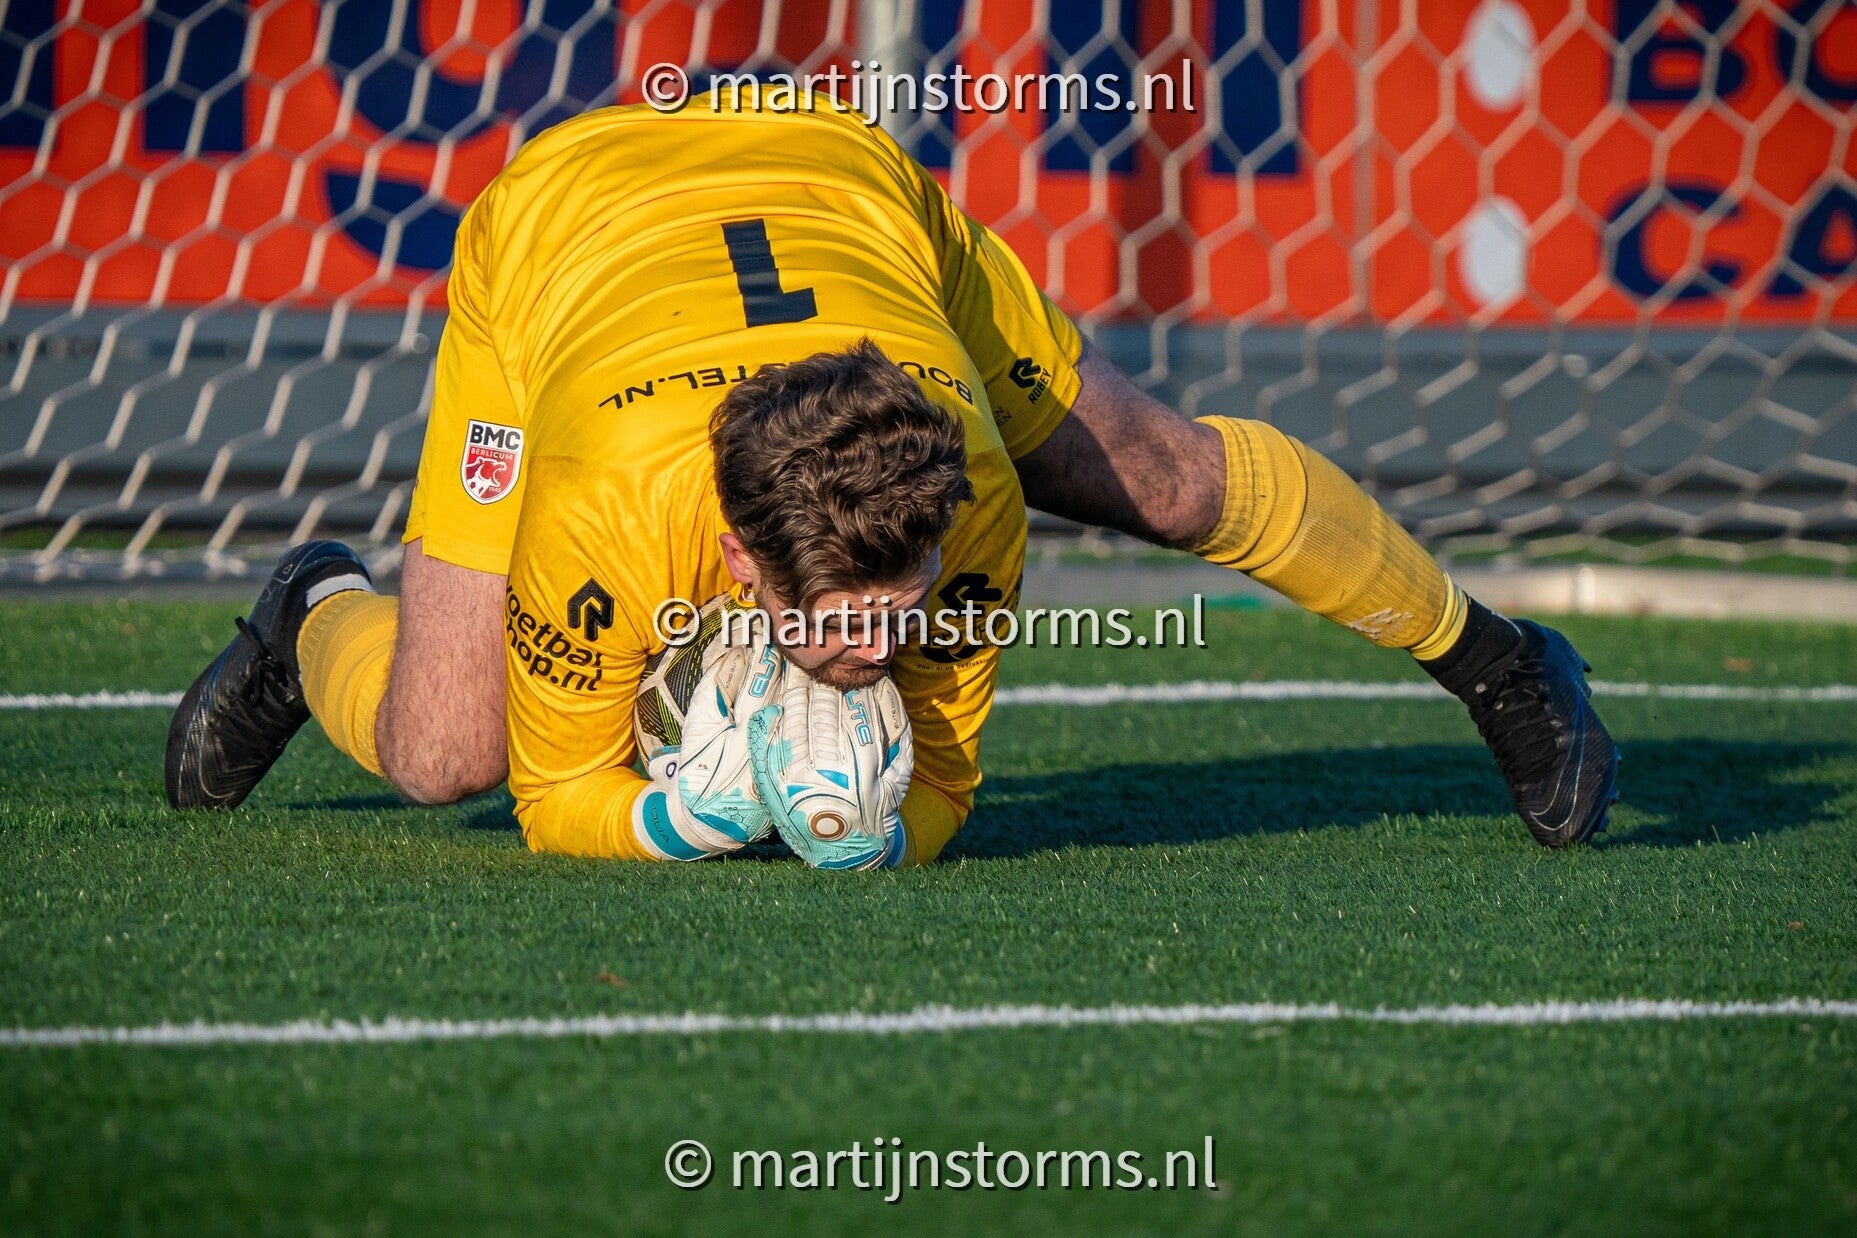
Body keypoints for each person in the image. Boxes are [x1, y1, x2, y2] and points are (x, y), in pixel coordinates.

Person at [164, 93, 1619, 865]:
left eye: (895, 608)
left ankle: (1500, 663)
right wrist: (683, 818)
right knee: (443, 754)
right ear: (742, 561)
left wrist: (875, 834)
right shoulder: (601, 512)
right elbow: (556, 798)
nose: (878, 652)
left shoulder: (966, 496)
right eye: (842, 625)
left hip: (843, 187)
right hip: (560, 227)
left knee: (1166, 480)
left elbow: (949, 780)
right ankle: (309, 609)